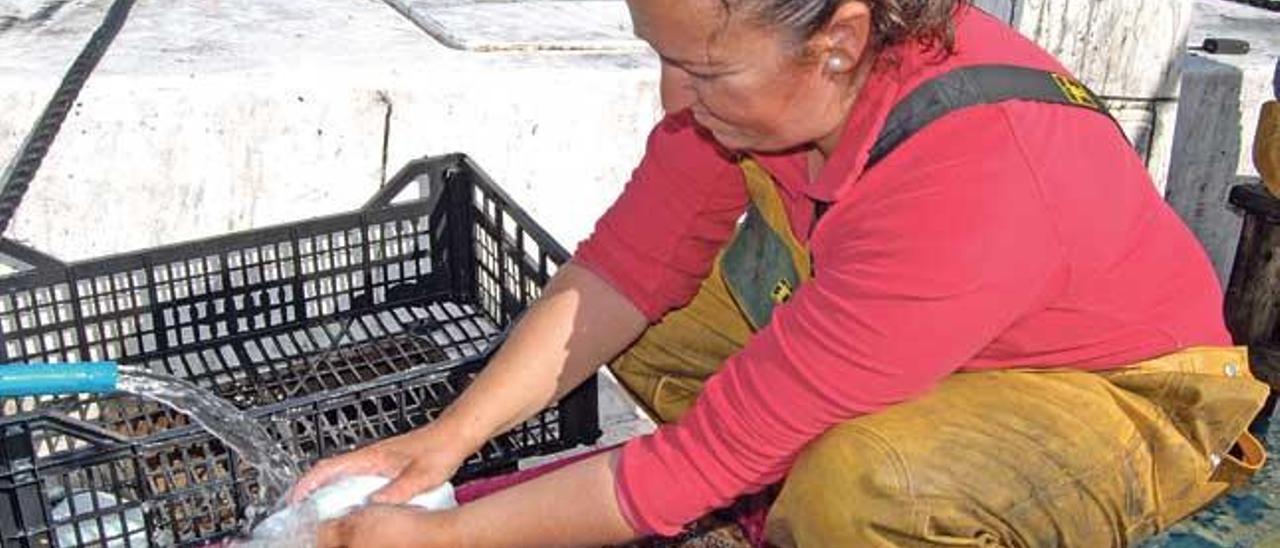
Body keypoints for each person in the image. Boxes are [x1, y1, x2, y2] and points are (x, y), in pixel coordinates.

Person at [293, 0, 1271, 546]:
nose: (674, 97)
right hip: (935, 327)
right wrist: (443, 440)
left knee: (864, 482)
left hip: (1123, 397)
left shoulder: (972, 175)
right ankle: (773, 502)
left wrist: (445, 541)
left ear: (838, 43)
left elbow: (694, 463)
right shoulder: (773, 78)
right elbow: (622, 271)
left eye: (704, 73)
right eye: (661, 59)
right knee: (652, 322)